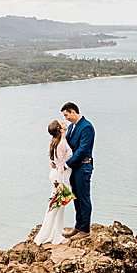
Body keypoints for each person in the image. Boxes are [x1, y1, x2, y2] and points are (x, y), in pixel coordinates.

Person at [34, 120, 72, 245]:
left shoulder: (61, 140)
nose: (64, 122)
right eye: (61, 123)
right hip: (60, 178)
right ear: (60, 129)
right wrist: (61, 184)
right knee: (56, 206)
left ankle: (56, 232)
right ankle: (53, 236)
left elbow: (57, 161)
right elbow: (60, 165)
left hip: (58, 176)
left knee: (58, 206)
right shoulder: (61, 144)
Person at [60, 101, 94, 236]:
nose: (66, 118)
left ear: (73, 112)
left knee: (83, 198)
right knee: (76, 198)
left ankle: (85, 229)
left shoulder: (86, 127)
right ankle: (78, 226)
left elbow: (81, 150)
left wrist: (67, 164)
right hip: (75, 167)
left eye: (66, 115)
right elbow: (67, 145)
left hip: (83, 166)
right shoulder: (73, 127)